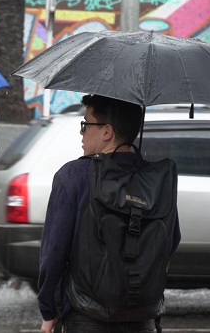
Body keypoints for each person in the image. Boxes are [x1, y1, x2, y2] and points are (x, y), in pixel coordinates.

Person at [38, 94, 181, 333]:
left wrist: (48, 311)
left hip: (86, 316)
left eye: (85, 124)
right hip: (143, 315)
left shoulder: (73, 176)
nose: (81, 132)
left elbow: (54, 252)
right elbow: (171, 240)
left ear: (107, 132)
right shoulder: (156, 181)